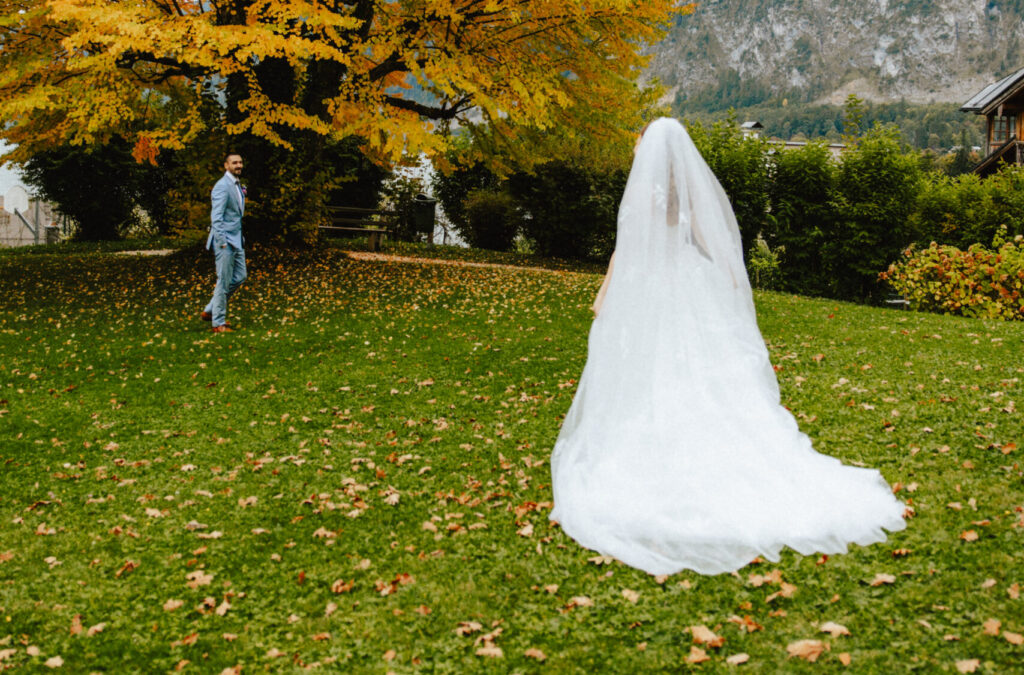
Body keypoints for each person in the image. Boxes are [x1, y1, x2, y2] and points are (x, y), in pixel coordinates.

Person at [549, 118, 906, 576]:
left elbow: (626, 248)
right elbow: (709, 240)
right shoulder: (685, 195)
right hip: (685, 283)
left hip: (648, 288)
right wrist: (730, 280)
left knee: (648, 363)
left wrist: (609, 293)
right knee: (694, 365)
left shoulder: (640, 193)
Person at [200, 152, 247, 333]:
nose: (239, 165)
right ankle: (218, 323)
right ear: (226, 166)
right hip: (225, 241)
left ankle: (211, 309)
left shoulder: (237, 185)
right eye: (234, 162)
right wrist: (222, 242)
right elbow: (216, 218)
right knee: (224, 281)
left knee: (240, 276)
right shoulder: (222, 186)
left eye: (240, 162)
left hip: (238, 240)